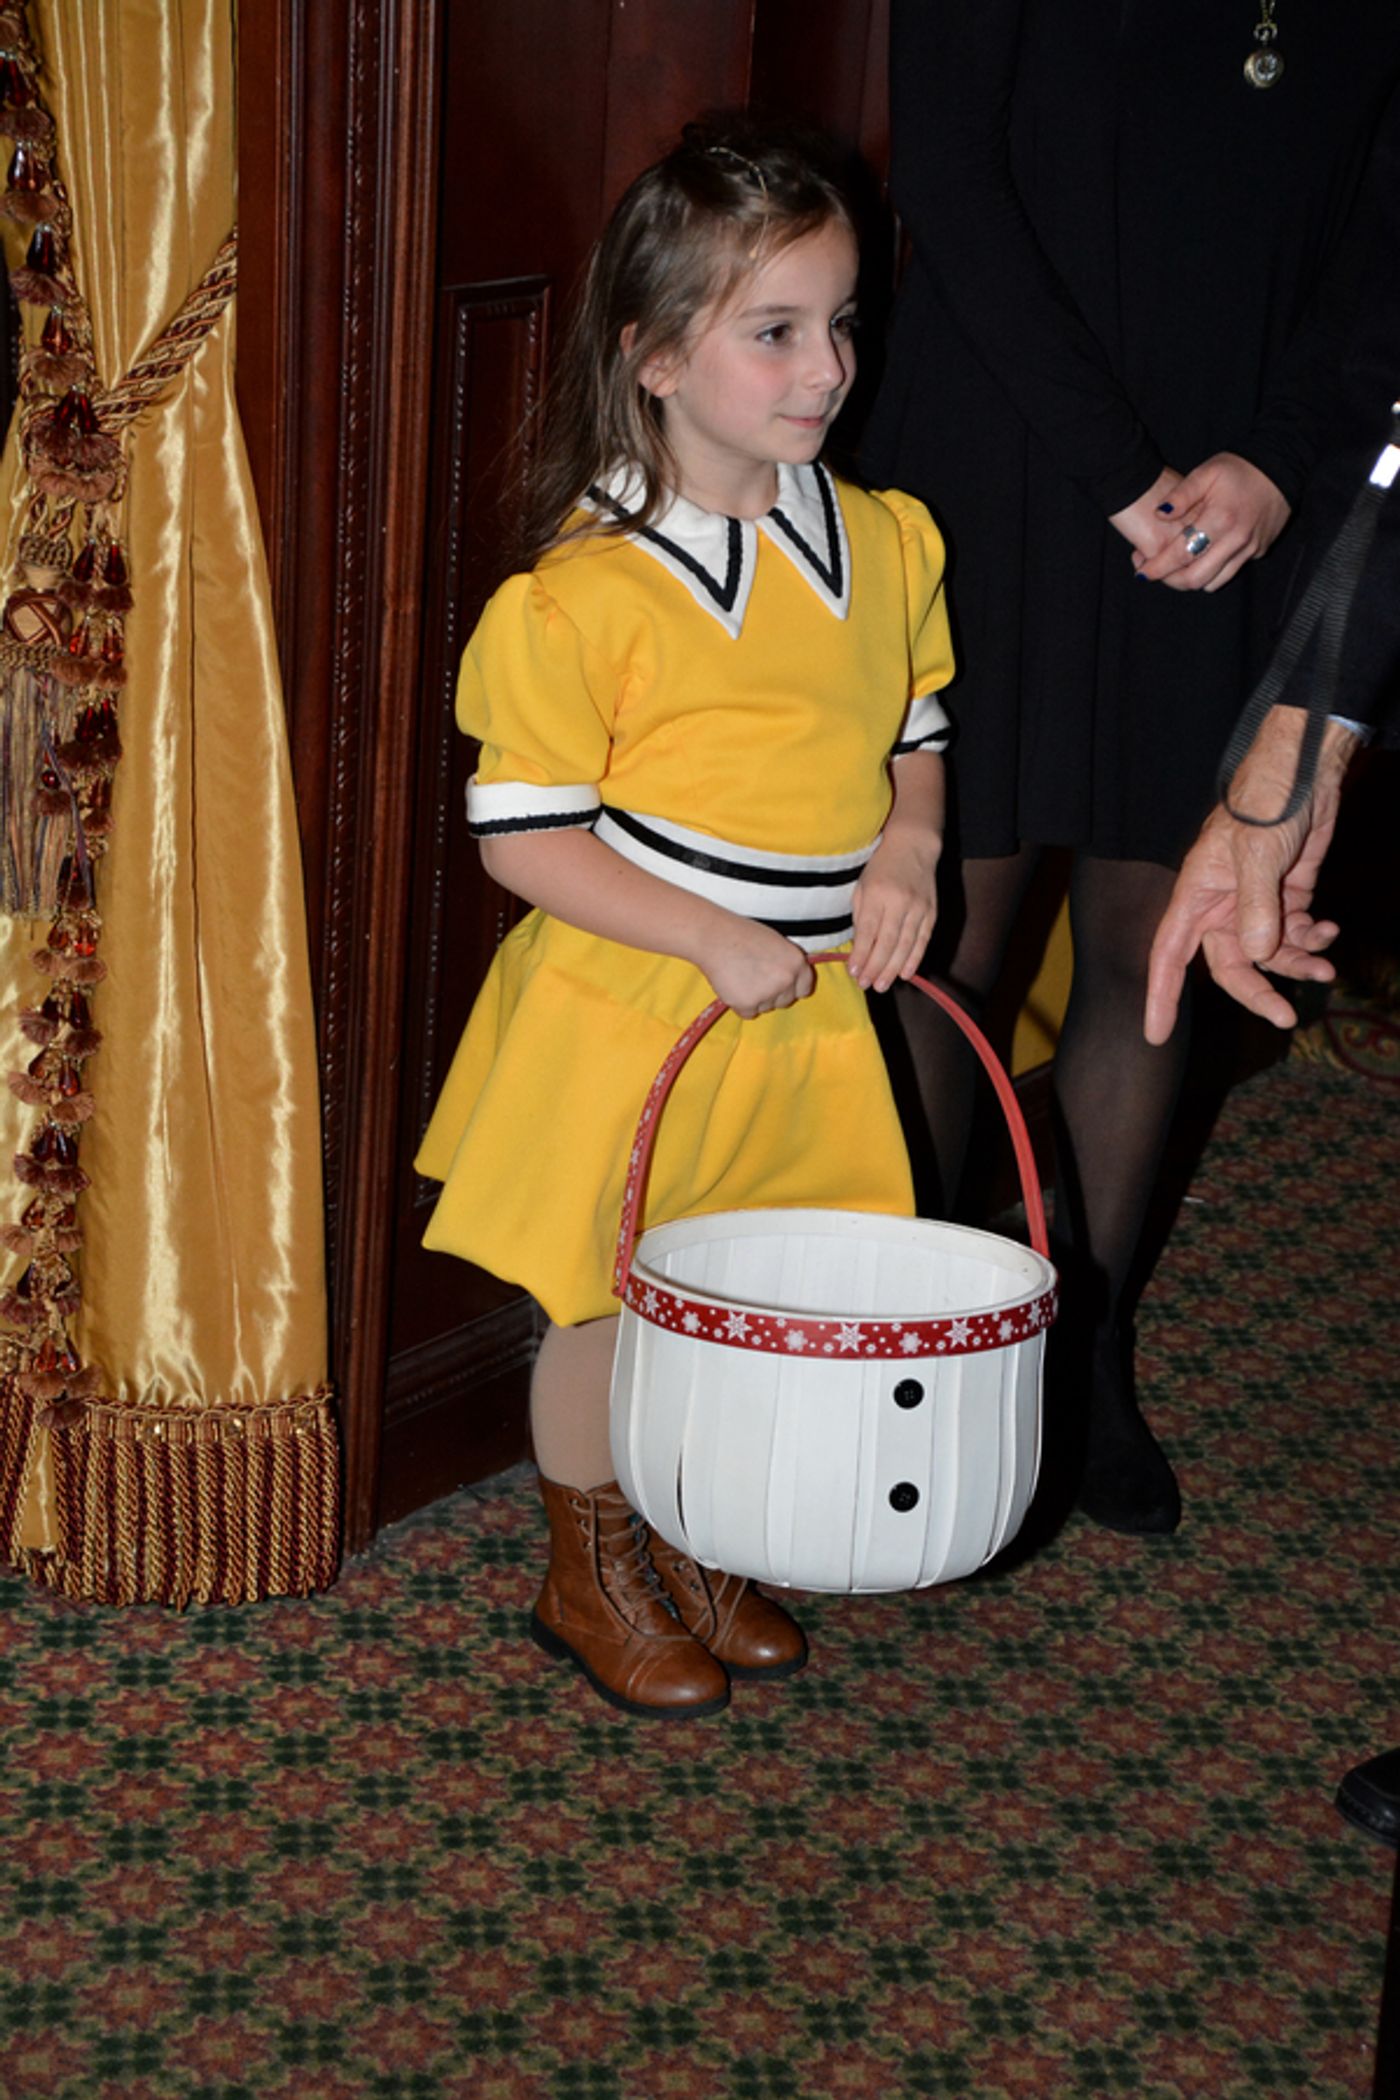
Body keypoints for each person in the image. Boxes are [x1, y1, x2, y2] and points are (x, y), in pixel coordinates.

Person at [414, 123, 955, 1719]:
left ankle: (694, 1526)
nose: (826, 368)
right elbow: (523, 841)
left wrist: (912, 849)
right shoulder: (584, 596)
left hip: (811, 1012)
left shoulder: (884, 537)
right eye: (774, 330)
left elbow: (914, 725)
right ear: (651, 357)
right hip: (635, 1003)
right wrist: (705, 936)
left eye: (842, 321)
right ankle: (588, 1567)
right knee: (600, 1296)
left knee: (748, 1291)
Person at [860, 0, 1400, 1535]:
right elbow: (953, 179)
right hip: (999, 463)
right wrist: (1118, 475)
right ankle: (899, 1349)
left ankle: (1078, 1352)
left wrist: (1283, 467)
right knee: (945, 942)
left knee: (1143, 941)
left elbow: (1386, 238)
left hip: (1237, 497)